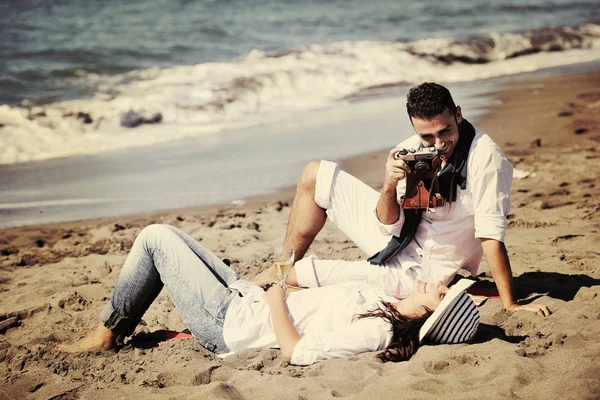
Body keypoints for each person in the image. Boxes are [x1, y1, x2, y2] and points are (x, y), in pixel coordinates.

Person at [253, 82, 550, 317]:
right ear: (414, 128)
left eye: (445, 130)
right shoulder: (413, 149)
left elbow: (490, 236)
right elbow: (387, 224)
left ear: (458, 114)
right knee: (315, 173)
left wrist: (510, 304)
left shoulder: (486, 159)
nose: (439, 143)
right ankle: (279, 266)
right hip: (396, 244)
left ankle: (285, 277)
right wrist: (388, 185)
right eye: (427, 136)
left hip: (419, 276)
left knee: (299, 275)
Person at [58, 224, 479, 366]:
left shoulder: (378, 333)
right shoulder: (384, 302)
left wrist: (276, 298)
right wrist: (277, 283)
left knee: (155, 238)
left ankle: (106, 336)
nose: (438, 283)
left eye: (442, 292)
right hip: (245, 300)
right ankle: (114, 325)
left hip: (231, 325)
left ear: (431, 314)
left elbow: (297, 352)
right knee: (176, 239)